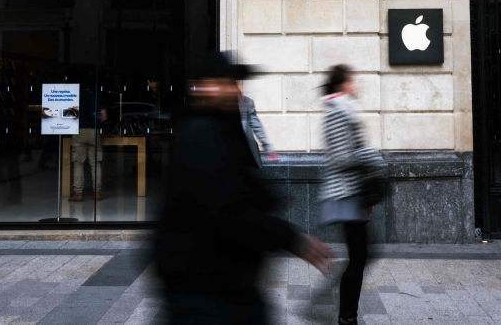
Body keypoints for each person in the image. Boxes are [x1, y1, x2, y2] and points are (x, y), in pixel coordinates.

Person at [156, 52, 331, 325]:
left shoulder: (219, 127)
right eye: (225, 83)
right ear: (202, 87)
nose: (234, 90)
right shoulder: (200, 134)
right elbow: (227, 210)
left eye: (235, 83)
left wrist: (267, 153)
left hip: (228, 286)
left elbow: (245, 186)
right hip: (205, 288)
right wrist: (291, 239)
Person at [319, 65, 385, 325]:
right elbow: (341, 157)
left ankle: (347, 315)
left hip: (353, 194)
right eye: (352, 80)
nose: (356, 85)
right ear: (342, 84)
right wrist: (373, 156)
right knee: (360, 257)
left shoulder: (346, 110)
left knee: (362, 256)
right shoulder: (336, 113)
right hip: (344, 195)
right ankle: (347, 317)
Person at [70, 80, 107, 202]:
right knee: (95, 163)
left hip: (79, 131)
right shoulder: (97, 97)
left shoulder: (74, 96)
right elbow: (104, 116)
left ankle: (78, 193)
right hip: (94, 132)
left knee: (78, 163)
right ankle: (97, 192)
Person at [239, 94, 278, 167]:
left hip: (244, 149)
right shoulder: (217, 103)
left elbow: (257, 125)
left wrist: (268, 147)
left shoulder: (247, 102)